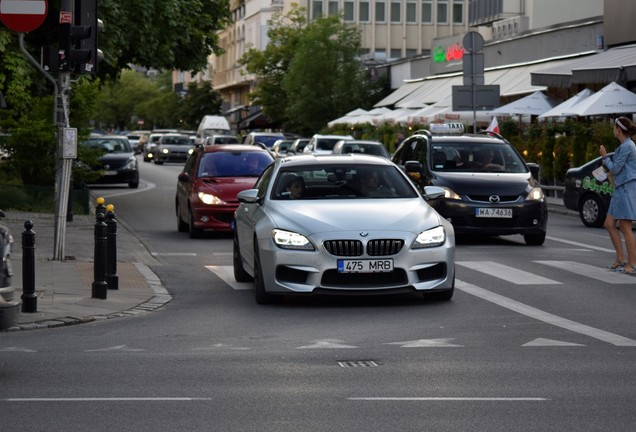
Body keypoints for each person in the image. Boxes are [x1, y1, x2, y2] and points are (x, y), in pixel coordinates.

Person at [599, 116, 636, 274]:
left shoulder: (628, 146)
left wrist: (605, 157)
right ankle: (620, 259)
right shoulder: (623, 146)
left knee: (625, 226)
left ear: (619, 129)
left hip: (626, 188)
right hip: (620, 188)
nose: (613, 130)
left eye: (614, 127)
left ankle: (632, 264)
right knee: (609, 223)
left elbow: (615, 169)